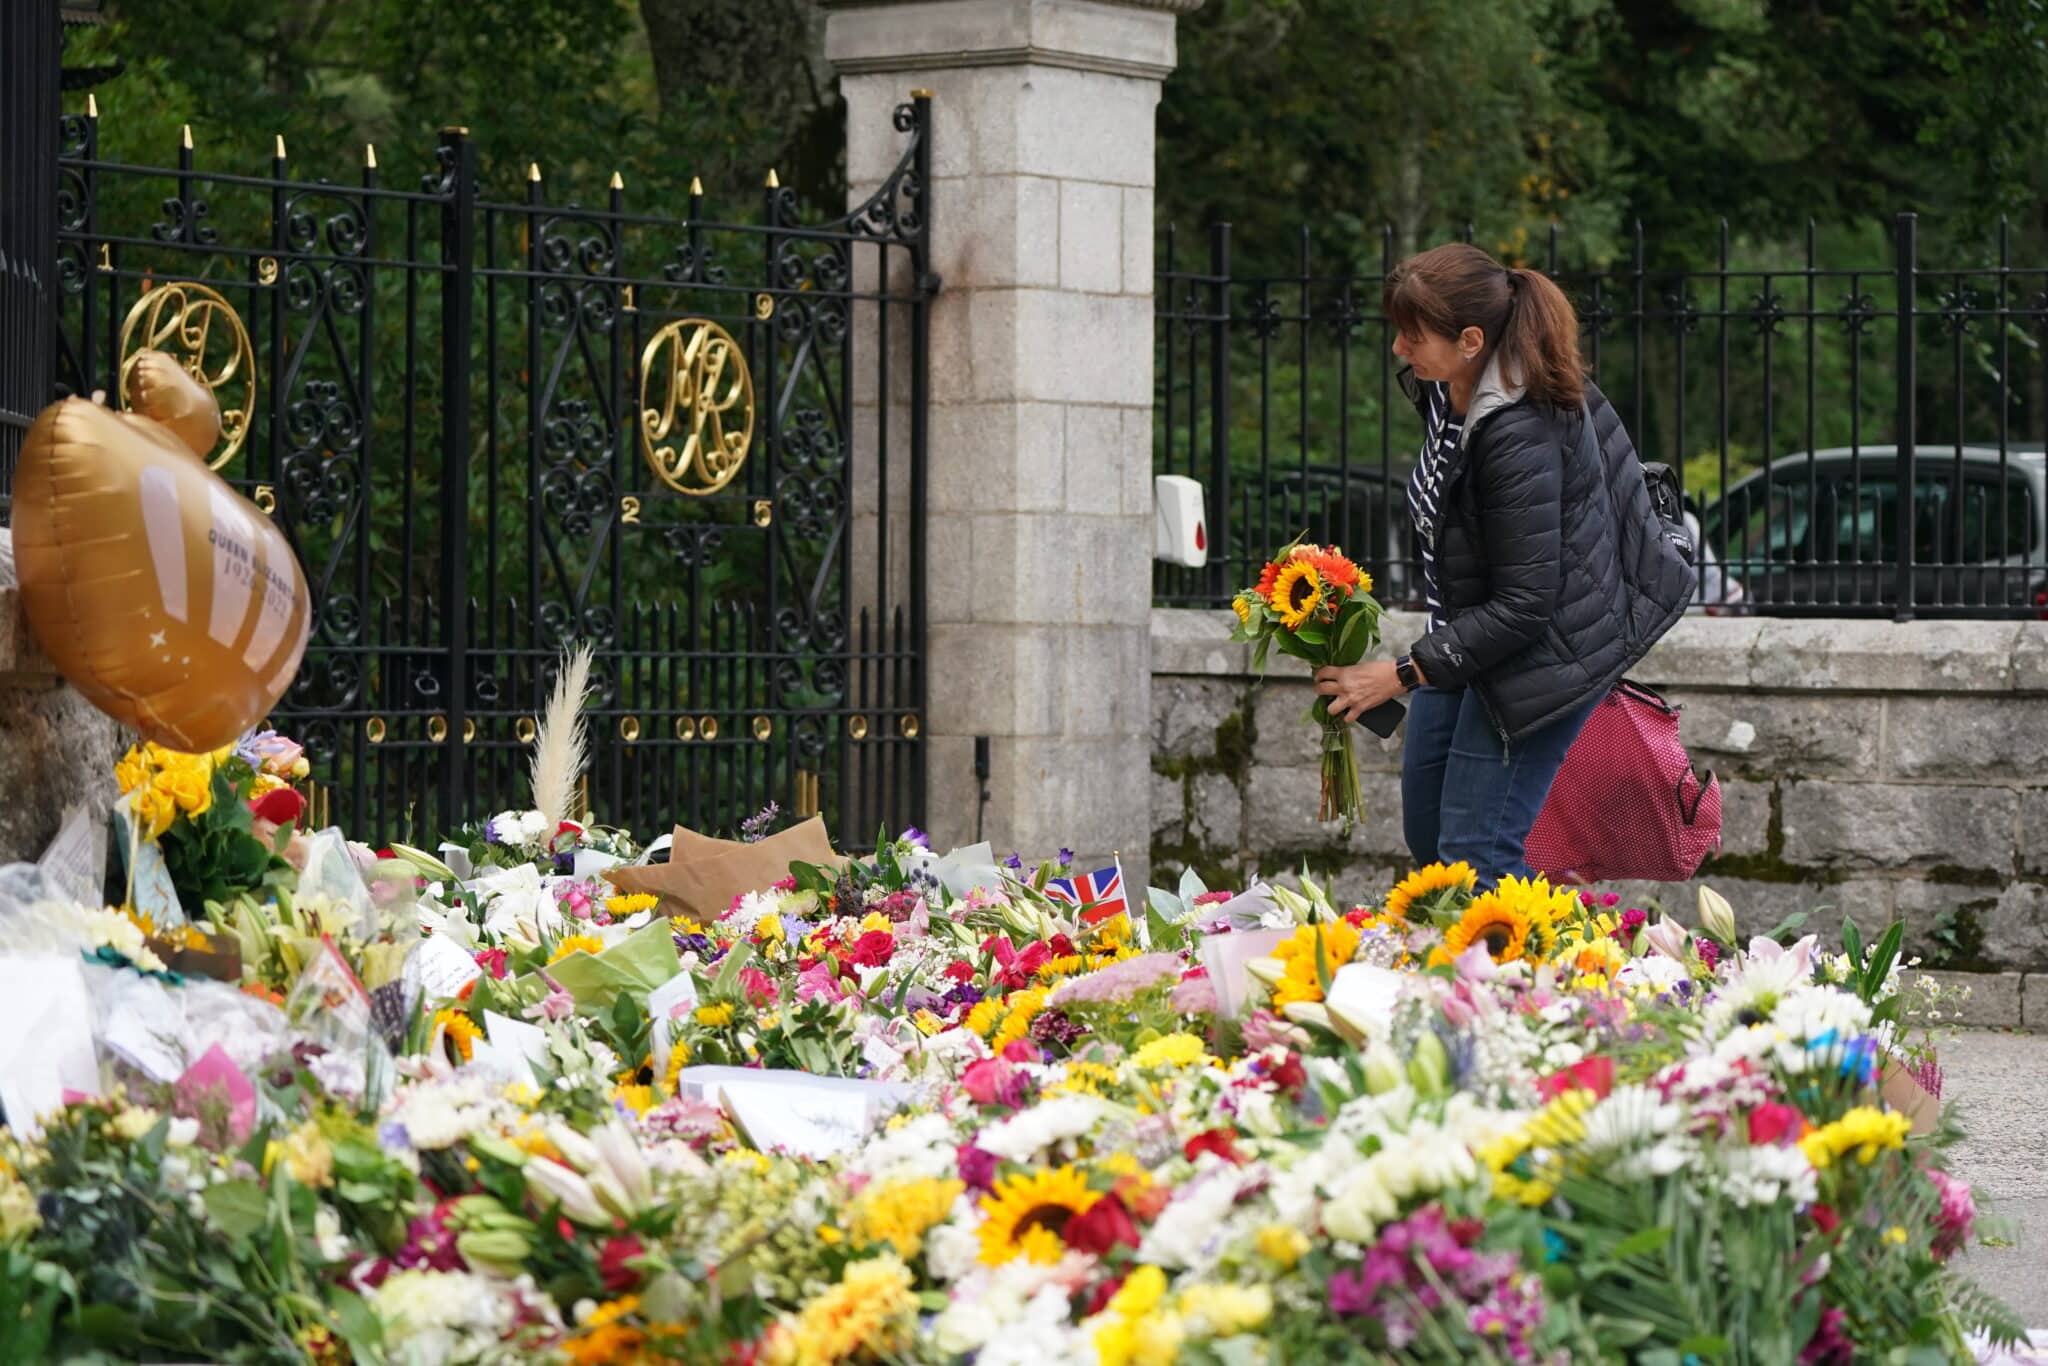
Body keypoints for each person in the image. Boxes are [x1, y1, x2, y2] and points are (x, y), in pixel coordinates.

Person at [1313, 243, 1694, 886]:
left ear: (1470, 339)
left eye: (1412, 335)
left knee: (1474, 852)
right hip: (1469, 638)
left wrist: (1400, 675)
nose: (1399, 349)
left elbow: (1525, 605)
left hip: (1541, 655)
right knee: (1431, 834)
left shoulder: (1519, 430)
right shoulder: (1448, 391)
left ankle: (1514, 984)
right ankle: (1496, 961)